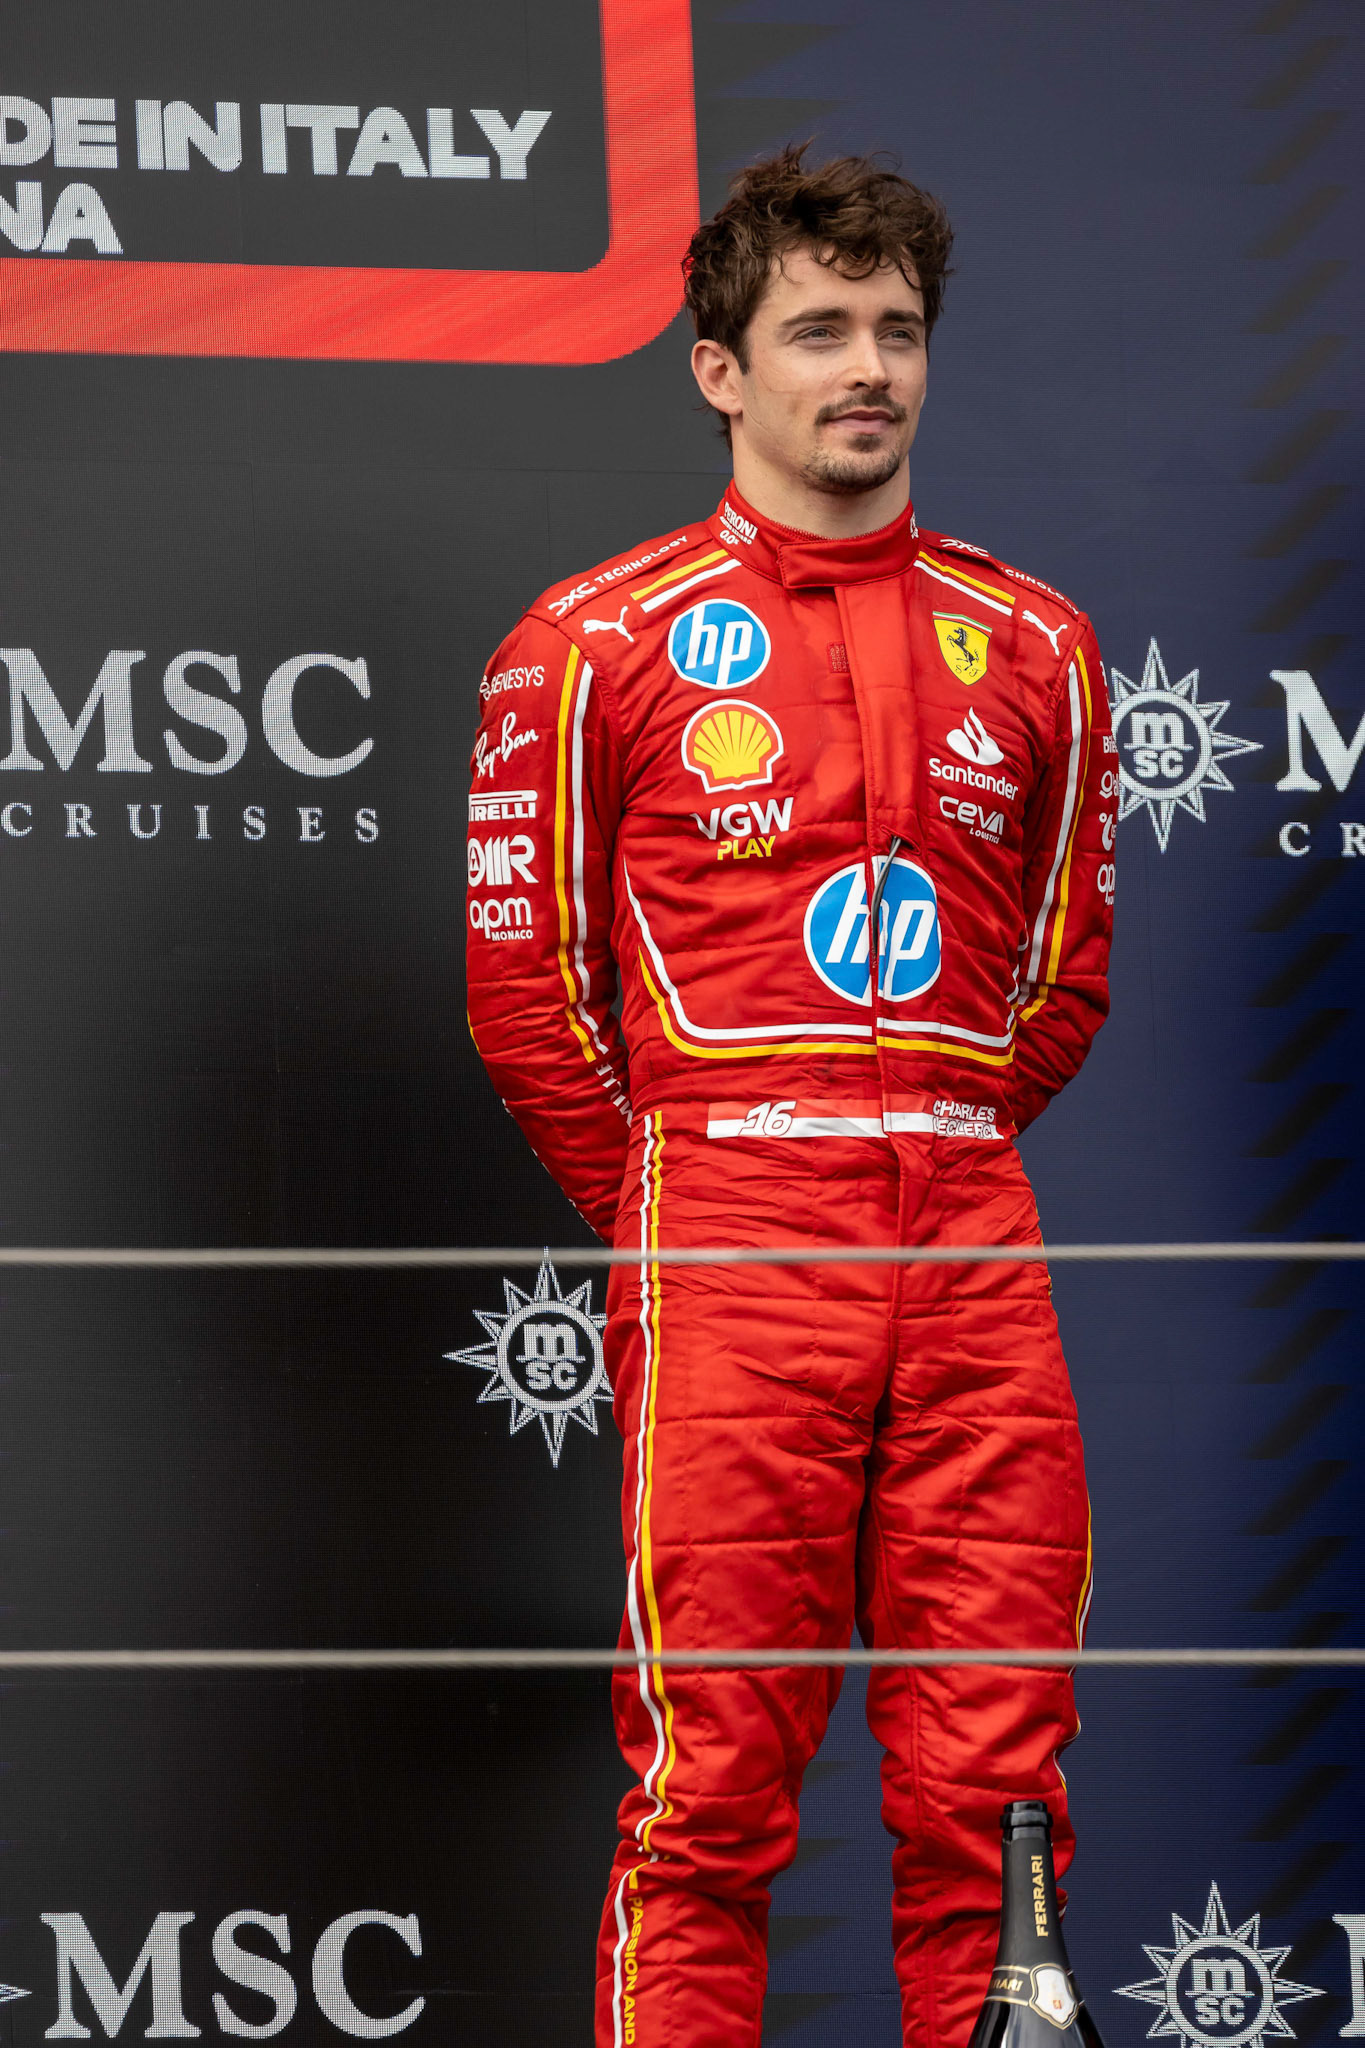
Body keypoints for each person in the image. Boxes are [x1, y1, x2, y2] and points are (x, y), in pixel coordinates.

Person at [465, 144, 1113, 2048]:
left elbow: (1056, 983)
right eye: (818, 330)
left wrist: (918, 1155)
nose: (868, 369)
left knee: (998, 1795)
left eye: (897, 330)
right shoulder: (593, 642)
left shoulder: (1040, 644)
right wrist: (694, 1205)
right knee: (710, 1791)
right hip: (729, 1244)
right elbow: (530, 1003)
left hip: (973, 1246)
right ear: (718, 370)